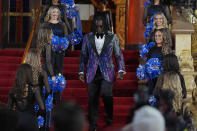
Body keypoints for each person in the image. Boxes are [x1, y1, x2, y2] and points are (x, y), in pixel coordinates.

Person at [79, 15, 126, 131]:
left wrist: (121, 69)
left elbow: (118, 54)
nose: (99, 28)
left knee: (106, 94)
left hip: (107, 71)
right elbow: (83, 55)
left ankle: (110, 115)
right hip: (91, 71)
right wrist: (81, 70)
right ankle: (93, 125)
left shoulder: (113, 37)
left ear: (105, 25)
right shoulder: (87, 37)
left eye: (101, 26)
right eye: (97, 26)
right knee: (92, 99)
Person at [8, 64, 45, 131]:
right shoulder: (34, 89)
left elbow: (9, 109)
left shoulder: (12, 90)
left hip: (17, 120)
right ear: (29, 74)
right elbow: (42, 107)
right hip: (31, 120)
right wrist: (38, 115)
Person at [146, 29, 171, 94]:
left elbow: (169, 63)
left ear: (163, 37)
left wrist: (160, 68)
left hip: (162, 76)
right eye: (156, 36)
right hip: (152, 76)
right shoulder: (151, 49)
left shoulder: (167, 49)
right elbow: (147, 62)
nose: (157, 37)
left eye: (159, 36)